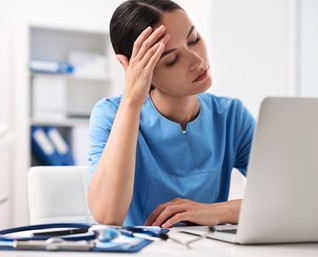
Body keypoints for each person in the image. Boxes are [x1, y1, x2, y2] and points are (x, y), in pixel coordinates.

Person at [87, 0, 255, 228]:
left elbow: (292, 197)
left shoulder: (231, 116)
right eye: (172, 59)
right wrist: (131, 101)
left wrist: (217, 211)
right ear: (141, 71)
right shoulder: (111, 114)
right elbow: (108, 216)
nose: (197, 61)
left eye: (194, 40)